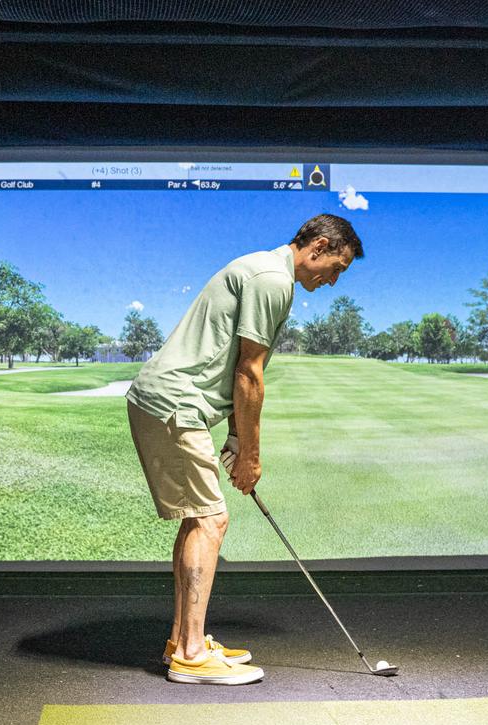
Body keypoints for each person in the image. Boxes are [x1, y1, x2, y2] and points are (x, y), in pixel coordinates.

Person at [126, 214, 364, 685]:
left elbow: (240, 364)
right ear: (318, 246)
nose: (333, 280)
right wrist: (251, 456)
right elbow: (249, 373)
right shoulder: (272, 279)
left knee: (199, 518)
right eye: (336, 268)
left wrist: (236, 436)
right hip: (175, 404)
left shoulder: (266, 271)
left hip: (167, 401)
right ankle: (191, 656)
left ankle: (182, 641)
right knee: (211, 520)